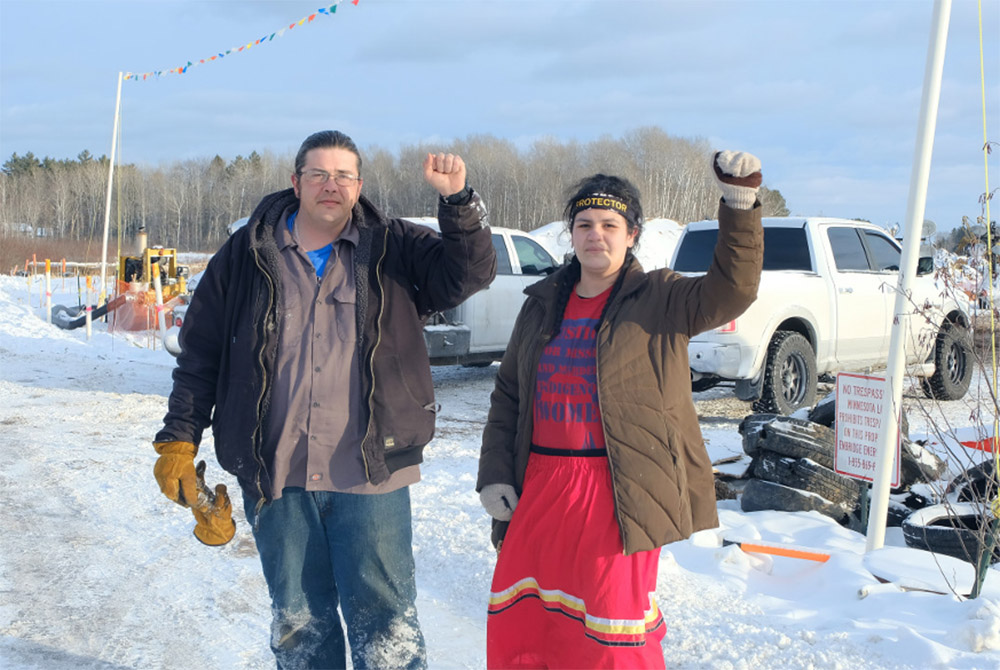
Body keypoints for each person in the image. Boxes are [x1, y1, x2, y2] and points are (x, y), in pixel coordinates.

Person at [153, 129, 496, 669]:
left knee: (387, 625)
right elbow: (200, 355)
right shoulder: (245, 256)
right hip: (276, 473)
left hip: (371, 472)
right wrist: (178, 438)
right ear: (296, 182)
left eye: (343, 176)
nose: (330, 185)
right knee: (298, 623)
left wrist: (457, 202)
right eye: (318, 174)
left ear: (359, 186)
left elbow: (470, 273)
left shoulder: (394, 248)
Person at [477, 150, 764, 668]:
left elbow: (733, 290)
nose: (596, 235)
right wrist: (496, 472)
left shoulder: (660, 298)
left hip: (615, 490)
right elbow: (509, 394)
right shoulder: (541, 302)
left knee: (609, 635)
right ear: (571, 234)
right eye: (584, 224)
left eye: (610, 224)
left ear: (632, 234)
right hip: (540, 484)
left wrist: (739, 204)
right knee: (527, 626)